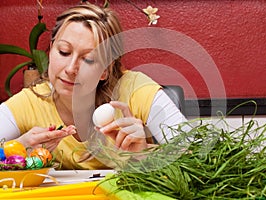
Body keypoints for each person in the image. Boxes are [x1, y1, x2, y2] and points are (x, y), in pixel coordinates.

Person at [0, 2, 186, 169]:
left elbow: (201, 155)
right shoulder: (31, 102)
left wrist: (143, 155)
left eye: (88, 60)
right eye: (64, 52)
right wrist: (18, 147)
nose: (71, 68)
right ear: (51, 50)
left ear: (105, 69)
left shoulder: (136, 90)